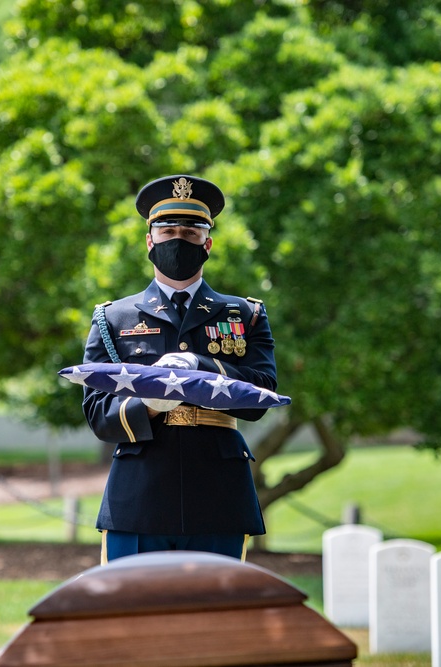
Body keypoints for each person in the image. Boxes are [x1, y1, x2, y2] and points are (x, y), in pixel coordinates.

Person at [82, 175, 276, 562]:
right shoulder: (114, 318)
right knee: (133, 615)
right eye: (167, 230)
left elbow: (260, 396)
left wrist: (200, 366)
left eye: (190, 232)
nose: (178, 240)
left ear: (208, 243)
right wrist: (151, 403)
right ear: (149, 241)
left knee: (214, 620)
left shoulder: (245, 314)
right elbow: (99, 415)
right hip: (139, 496)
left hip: (219, 495)